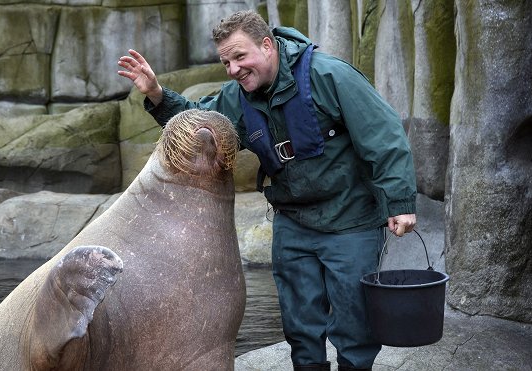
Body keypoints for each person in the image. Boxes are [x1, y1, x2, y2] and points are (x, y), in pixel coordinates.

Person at [117, 10, 417, 371]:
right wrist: (157, 94)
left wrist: (399, 202)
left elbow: (384, 138)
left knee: (354, 325)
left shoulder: (330, 75)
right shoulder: (238, 97)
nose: (233, 69)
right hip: (293, 222)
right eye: (226, 61)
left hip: (350, 218)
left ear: (267, 45)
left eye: (240, 56)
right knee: (301, 326)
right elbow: (197, 125)